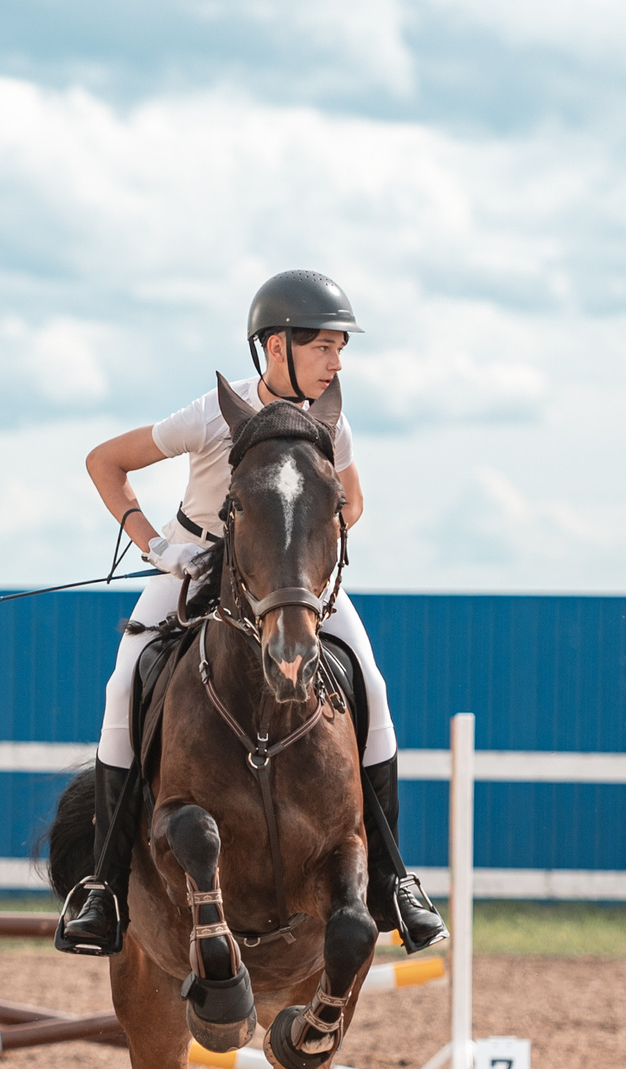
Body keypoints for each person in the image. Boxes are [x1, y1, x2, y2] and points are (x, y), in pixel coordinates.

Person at [56, 268, 446, 959]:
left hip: (287, 584)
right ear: (274, 346)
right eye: (323, 346)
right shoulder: (209, 416)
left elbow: (352, 504)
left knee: (373, 688)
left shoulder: (334, 424)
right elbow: (104, 462)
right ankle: (104, 887)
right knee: (123, 687)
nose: (336, 362)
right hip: (196, 567)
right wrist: (157, 547)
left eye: (339, 348)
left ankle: (392, 880)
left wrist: (308, 556)